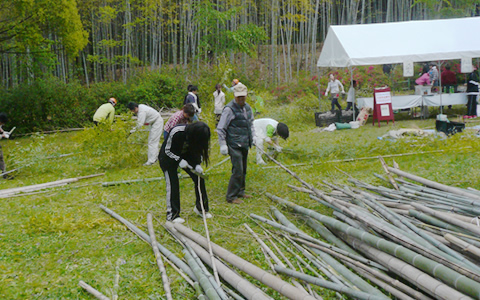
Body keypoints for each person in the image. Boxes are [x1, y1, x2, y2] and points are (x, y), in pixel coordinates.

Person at [159, 122, 211, 223]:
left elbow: (198, 150)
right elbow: (167, 150)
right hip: (168, 157)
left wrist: (197, 164)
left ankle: (201, 208)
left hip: (187, 156)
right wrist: (179, 160)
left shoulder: (197, 136)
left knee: (199, 178)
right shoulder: (177, 132)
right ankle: (172, 215)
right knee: (173, 183)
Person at [217, 82, 255, 204]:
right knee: (237, 169)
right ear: (234, 95)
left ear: (246, 95)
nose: (241, 99)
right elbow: (221, 127)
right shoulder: (229, 109)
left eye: (243, 96)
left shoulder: (248, 108)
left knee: (243, 169)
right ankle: (231, 196)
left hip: (244, 142)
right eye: (238, 96)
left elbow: (251, 124)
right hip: (233, 143)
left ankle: (240, 191)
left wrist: (253, 137)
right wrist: (223, 144)